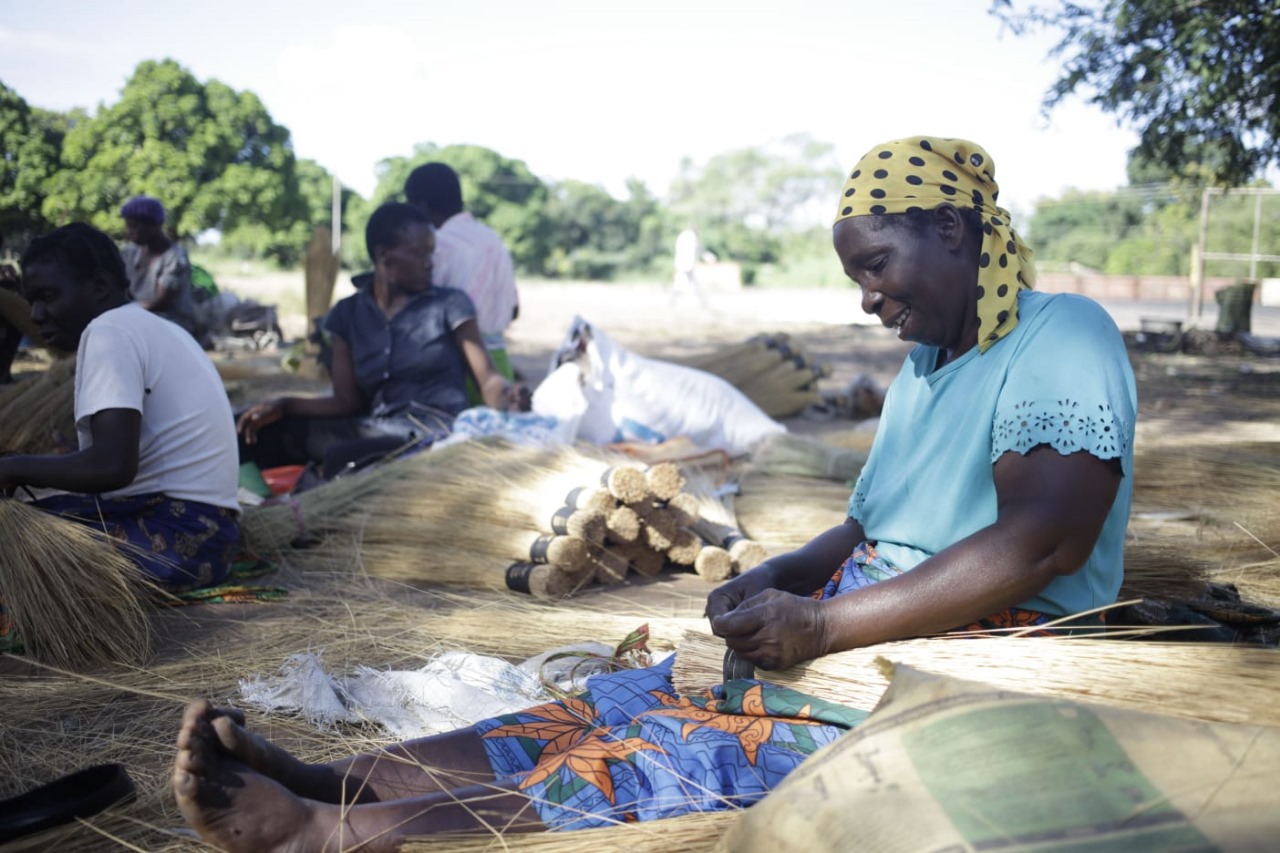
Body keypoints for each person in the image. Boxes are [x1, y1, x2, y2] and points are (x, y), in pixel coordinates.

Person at [171, 136, 1137, 848]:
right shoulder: (928, 368)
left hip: (961, 660)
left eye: (877, 265)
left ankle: (333, 837)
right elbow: (867, 524)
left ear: (956, 229)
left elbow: (1044, 541)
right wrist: (776, 576)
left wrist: (828, 629)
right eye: (856, 276)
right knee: (606, 706)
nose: (868, 298)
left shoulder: (1062, 336)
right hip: (871, 625)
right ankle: (338, 783)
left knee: (678, 751)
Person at [0, 223, 240, 591]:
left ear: (98, 285)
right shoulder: (157, 328)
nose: (35, 314)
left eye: (48, 296)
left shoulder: (108, 331)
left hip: (172, 540)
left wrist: (15, 468)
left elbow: (112, 466)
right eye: (32, 299)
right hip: (211, 542)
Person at [237, 202, 525, 479]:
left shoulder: (450, 305)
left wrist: (507, 398)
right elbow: (346, 401)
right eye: (420, 254)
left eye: (431, 253)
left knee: (344, 459)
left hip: (432, 435)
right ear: (384, 255)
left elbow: (488, 380)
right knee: (248, 431)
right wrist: (284, 404)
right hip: (372, 427)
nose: (429, 264)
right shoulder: (347, 314)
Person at [404, 162, 520, 387]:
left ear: (421, 205)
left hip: (458, 367)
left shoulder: (437, 245)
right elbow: (514, 309)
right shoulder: (492, 239)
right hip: (500, 364)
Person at [118, 195, 199, 337]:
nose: (130, 232)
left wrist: (125, 314)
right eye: (128, 226)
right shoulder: (129, 253)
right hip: (137, 317)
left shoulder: (175, 258)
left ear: (153, 225)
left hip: (171, 323)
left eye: (134, 226)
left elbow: (161, 302)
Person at [671, 222, 708, 309]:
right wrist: (706, 255)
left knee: (682, 283)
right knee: (691, 283)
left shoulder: (681, 235)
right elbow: (697, 247)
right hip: (687, 263)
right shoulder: (691, 236)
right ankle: (703, 303)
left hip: (680, 262)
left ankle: (672, 302)